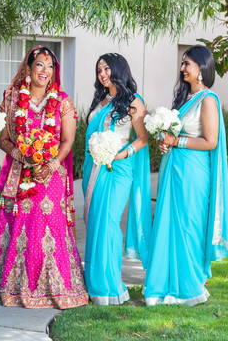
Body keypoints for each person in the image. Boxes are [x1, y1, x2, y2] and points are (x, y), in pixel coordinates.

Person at [0, 46, 89, 309]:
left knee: (48, 228)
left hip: (51, 176)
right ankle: (11, 288)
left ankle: (53, 289)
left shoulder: (62, 101)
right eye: (40, 65)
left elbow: (68, 140)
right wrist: (23, 156)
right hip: (20, 175)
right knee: (20, 225)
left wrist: (51, 164)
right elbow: (3, 139)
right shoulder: (11, 99)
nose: (45, 71)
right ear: (28, 69)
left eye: (50, 66)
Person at [143, 45, 228, 306]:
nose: (183, 68)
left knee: (189, 226)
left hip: (194, 173)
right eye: (183, 63)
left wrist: (177, 141)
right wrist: (165, 143)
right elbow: (175, 136)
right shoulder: (184, 100)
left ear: (202, 69)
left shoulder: (208, 99)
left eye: (188, 64)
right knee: (168, 223)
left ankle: (191, 286)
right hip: (174, 170)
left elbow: (210, 141)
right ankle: (165, 285)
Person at [82, 53, 151, 305]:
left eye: (107, 69)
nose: (102, 74)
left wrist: (123, 153)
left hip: (118, 169)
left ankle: (109, 286)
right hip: (93, 167)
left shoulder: (133, 101)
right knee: (94, 222)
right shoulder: (101, 101)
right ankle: (94, 283)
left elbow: (142, 138)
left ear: (119, 70)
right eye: (99, 69)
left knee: (108, 223)